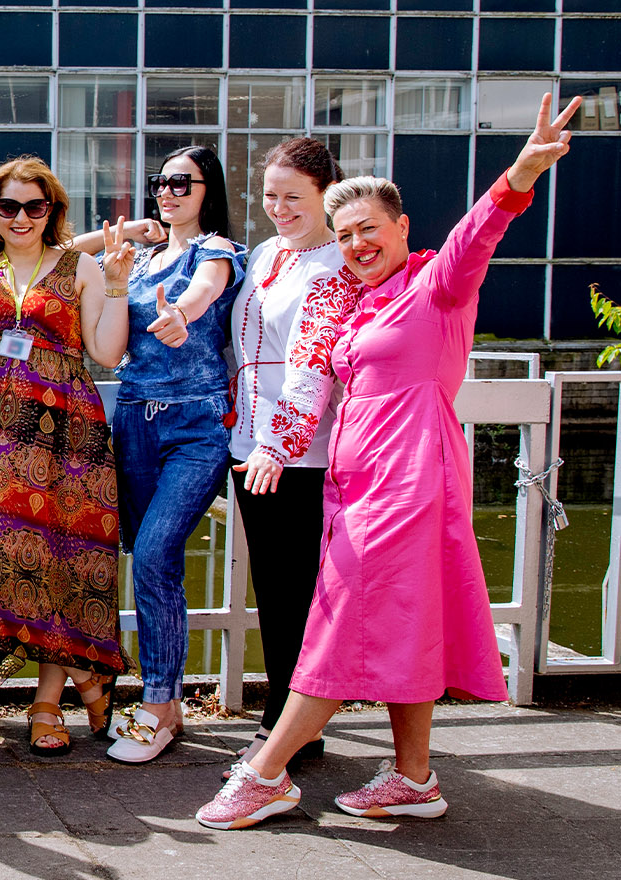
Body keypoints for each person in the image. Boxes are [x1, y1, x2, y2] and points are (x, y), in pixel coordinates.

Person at [197, 93, 582, 830]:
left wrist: (520, 174)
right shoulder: (367, 301)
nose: (357, 245)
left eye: (369, 230)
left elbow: (478, 236)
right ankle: (413, 777)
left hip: (406, 485)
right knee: (403, 621)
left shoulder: (438, 288)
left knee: (338, 626)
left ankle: (264, 773)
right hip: (360, 484)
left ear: (402, 227)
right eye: (344, 236)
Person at [0, 154, 132, 758]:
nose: (22, 216)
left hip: (71, 438)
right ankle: (90, 678)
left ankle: (46, 704)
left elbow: (106, 353)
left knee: (67, 559)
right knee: (1, 557)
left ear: (51, 209)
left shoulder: (81, 265)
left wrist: (118, 284)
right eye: (9, 206)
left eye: (35, 205)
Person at [87, 145, 247, 764]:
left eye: (184, 181)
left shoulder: (219, 252)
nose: (170, 190)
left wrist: (180, 312)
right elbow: (58, 258)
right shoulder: (143, 257)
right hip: (133, 418)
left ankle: (156, 702)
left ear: (210, 189)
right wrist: (122, 243)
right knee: (148, 558)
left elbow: (206, 290)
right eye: (162, 181)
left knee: (155, 552)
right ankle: (169, 700)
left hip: (195, 424)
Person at [221, 138, 357, 769]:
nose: (278, 208)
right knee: (275, 589)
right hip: (248, 443)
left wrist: (279, 444)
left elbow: (311, 369)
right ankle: (288, 719)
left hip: (298, 456)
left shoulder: (334, 267)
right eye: (270, 195)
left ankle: (290, 728)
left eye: (293, 197)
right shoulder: (267, 254)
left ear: (327, 196)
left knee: (293, 593)